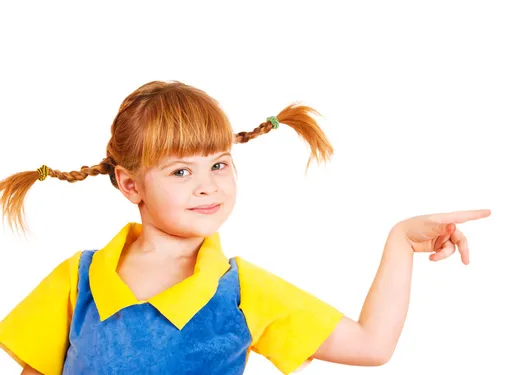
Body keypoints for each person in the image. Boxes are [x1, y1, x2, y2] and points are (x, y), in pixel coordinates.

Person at [0, 80, 491, 375]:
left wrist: (401, 241)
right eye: (180, 171)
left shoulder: (238, 290)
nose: (208, 186)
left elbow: (370, 345)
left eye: (219, 164)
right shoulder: (79, 279)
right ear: (131, 186)